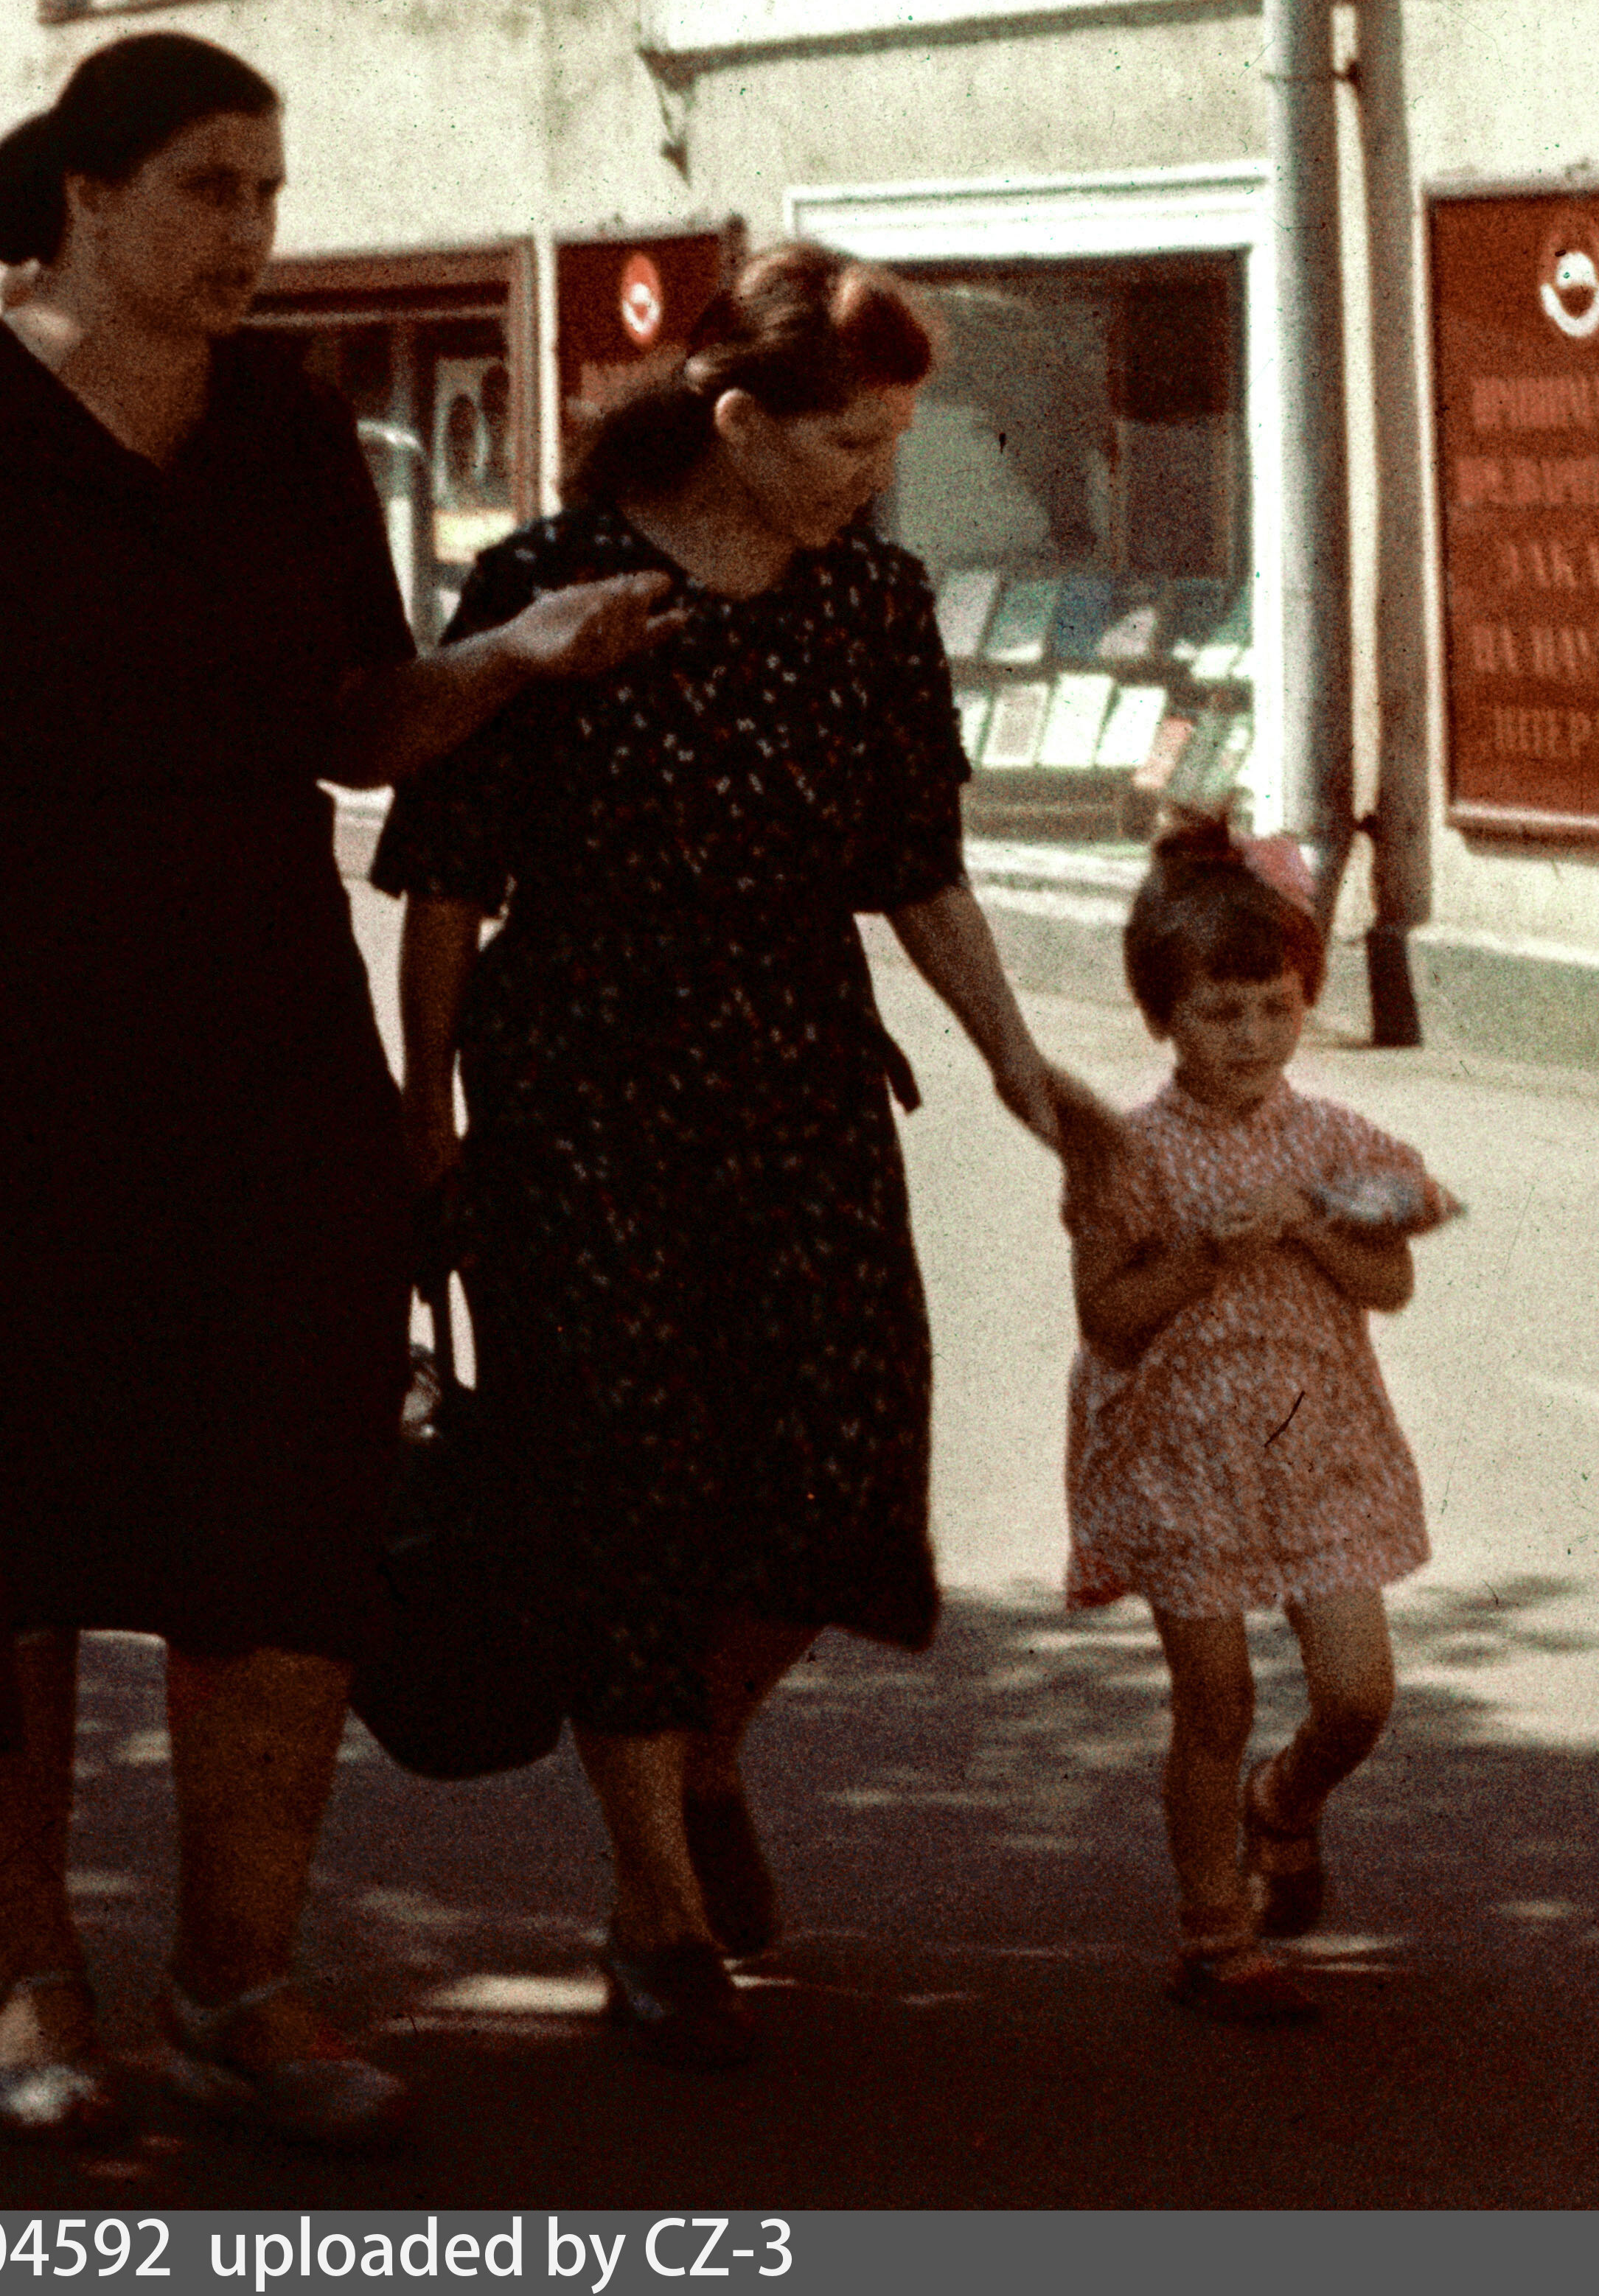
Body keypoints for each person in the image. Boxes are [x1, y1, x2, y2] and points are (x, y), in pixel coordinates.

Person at [0, 32, 677, 2153]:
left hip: (257, 1059)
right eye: (206, 187)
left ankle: (244, 1977)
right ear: (79, 195)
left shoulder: (289, 437)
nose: (252, 231)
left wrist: (510, 661)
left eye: (270, 187)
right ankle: (33, 1975)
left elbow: (351, 721)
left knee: (285, 1527)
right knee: (4, 1536)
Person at [377, 242, 1086, 2072]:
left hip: (794, 1076)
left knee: (843, 1457)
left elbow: (915, 858)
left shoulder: (871, 602)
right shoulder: (550, 580)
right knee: (625, 1475)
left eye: (894, 439)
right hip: (582, 1082)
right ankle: (651, 1902)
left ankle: (702, 1752)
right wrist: (423, 1111)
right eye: (847, 440)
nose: (875, 472)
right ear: (739, 416)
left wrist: (1017, 1061)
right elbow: (450, 868)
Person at [1056, 826, 1449, 2025]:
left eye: (1274, 1006)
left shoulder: (1334, 1140)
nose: (1253, 1035)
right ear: (1165, 1015)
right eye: (1221, 1010)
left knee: (1359, 1690)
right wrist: (1196, 1258)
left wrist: (1318, 1230)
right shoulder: (1127, 1151)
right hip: (1182, 1460)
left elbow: (1397, 1271)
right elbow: (1110, 1316)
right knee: (1214, 1697)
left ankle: (1285, 1801)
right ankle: (1213, 1935)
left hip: (1318, 1448)